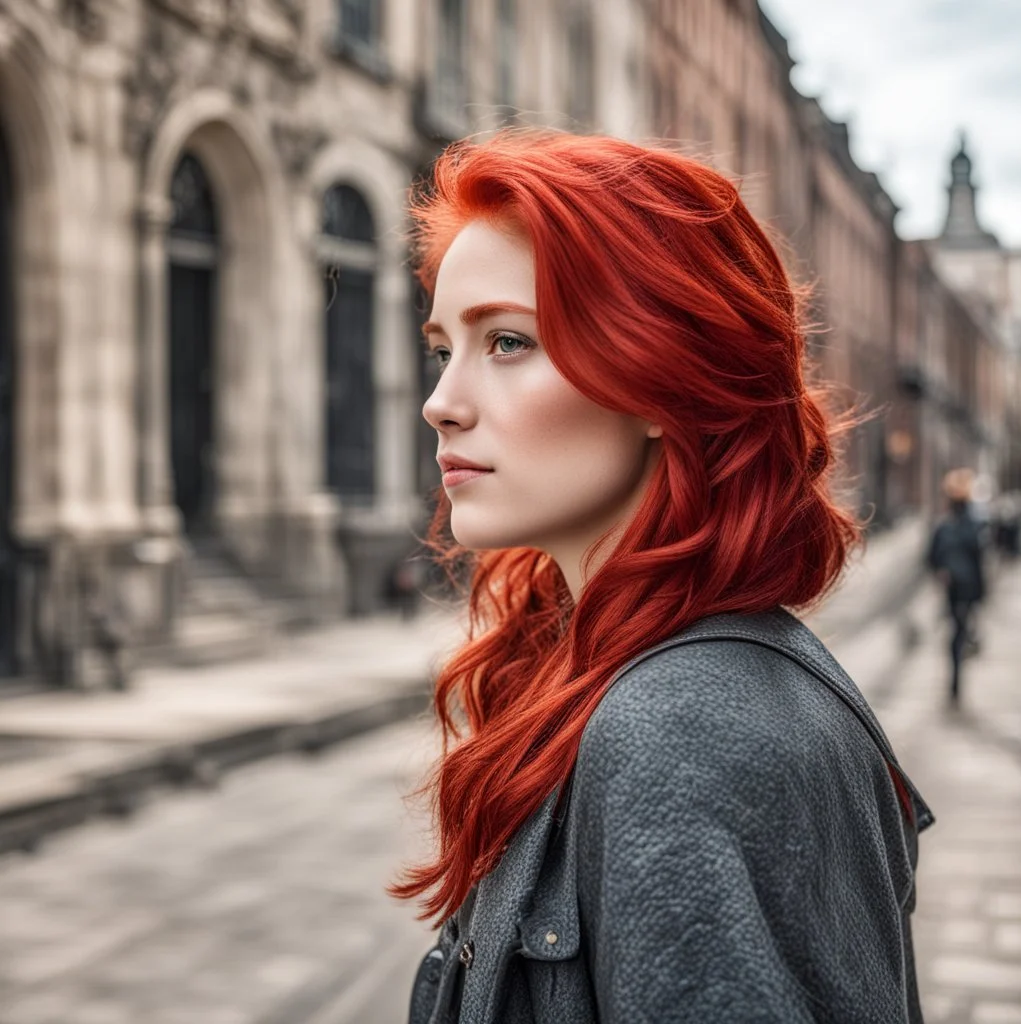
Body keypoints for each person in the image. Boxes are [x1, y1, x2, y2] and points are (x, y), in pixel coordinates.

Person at [393, 131, 933, 1023]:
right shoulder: (624, 666)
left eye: (509, 342)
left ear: (654, 374)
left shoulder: (679, 728)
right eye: (442, 347)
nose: (441, 400)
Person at [927, 468, 987, 705]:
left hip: (957, 587)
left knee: (957, 631)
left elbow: (931, 558)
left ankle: (955, 678)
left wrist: (941, 572)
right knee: (960, 630)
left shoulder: (944, 526)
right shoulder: (971, 527)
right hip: (966, 587)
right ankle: (956, 677)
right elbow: (979, 559)